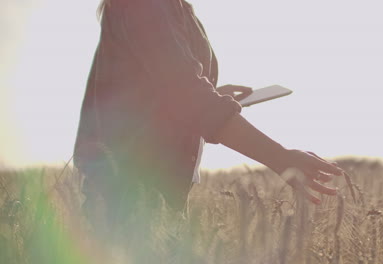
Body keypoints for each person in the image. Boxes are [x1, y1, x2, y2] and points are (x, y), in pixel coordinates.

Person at [74, 0, 344, 262]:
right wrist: (280, 158)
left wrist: (214, 94)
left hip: (153, 192)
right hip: (132, 198)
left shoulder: (174, 6)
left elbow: (163, 89)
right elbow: (188, 95)